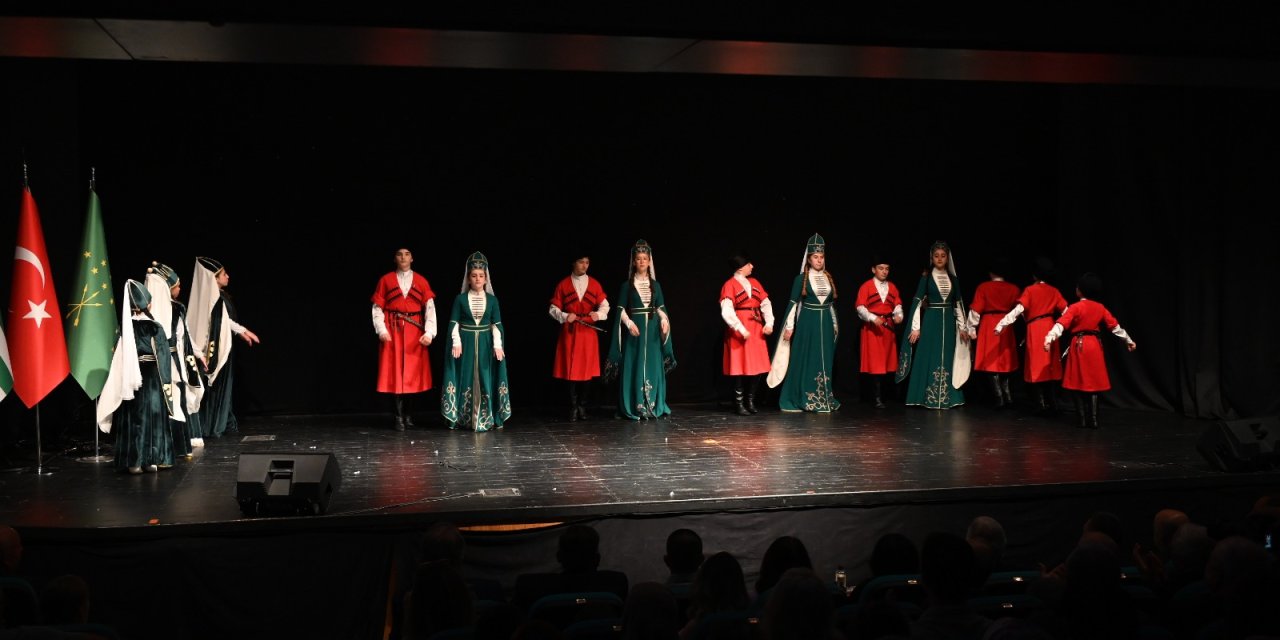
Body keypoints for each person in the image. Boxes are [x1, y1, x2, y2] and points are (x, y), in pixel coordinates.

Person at [96, 279, 175, 474]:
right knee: (153, 415)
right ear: (148, 304)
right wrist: (167, 382)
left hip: (130, 378)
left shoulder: (125, 328)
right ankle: (152, 459)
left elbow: (118, 355)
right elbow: (164, 356)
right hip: (152, 377)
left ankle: (134, 461)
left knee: (134, 417)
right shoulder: (154, 327)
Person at [1043, 272, 1136, 429]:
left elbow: (1061, 324)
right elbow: (1115, 327)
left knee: (1076, 381)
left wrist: (1049, 338)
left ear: (1079, 291)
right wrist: (1129, 340)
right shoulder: (1100, 308)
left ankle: (1082, 420)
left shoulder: (1075, 307)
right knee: (1093, 382)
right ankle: (1093, 420)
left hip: (1079, 345)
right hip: (1094, 345)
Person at [767, 233, 839, 413]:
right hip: (808, 323)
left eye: (821, 257)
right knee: (807, 359)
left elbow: (830, 305)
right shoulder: (801, 279)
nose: (819, 260)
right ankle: (804, 397)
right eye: (815, 257)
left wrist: (834, 325)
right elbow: (793, 304)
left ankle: (824, 397)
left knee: (825, 359)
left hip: (825, 324)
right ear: (809, 259)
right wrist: (789, 327)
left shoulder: (828, 278)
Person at [188, 257, 259, 438]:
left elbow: (226, 321)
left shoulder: (220, 296)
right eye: (224, 274)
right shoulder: (212, 299)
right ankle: (213, 424)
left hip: (225, 347)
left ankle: (225, 421)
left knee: (225, 387)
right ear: (215, 278)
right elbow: (221, 322)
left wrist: (241, 332)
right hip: (215, 350)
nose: (228, 276)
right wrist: (242, 331)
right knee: (217, 387)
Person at [896, 241, 971, 410]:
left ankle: (948, 397)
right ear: (932, 258)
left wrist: (963, 327)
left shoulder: (953, 279)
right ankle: (925, 397)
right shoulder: (927, 277)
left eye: (943, 256)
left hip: (948, 322)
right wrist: (916, 327)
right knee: (930, 355)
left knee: (947, 355)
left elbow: (958, 303)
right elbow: (917, 301)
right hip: (931, 320)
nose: (939, 259)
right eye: (936, 256)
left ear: (947, 258)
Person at [605, 239, 675, 421]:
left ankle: (652, 404)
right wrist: (629, 324)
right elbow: (620, 310)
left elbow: (660, 308)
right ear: (634, 262)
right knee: (634, 365)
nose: (642, 261)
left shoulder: (656, 285)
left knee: (652, 364)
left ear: (649, 261)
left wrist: (664, 320)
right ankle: (636, 405)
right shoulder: (626, 286)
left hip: (652, 333)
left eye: (645, 258)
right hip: (635, 333)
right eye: (638, 258)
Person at [440, 251, 510, 431]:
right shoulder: (460, 299)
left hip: (486, 345)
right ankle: (464, 417)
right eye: (474, 275)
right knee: (466, 377)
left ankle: (487, 417)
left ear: (486, 279)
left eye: (481, 276)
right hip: (466, 344)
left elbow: (496, 324)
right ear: (468, 278)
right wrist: (456, 341)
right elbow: (454, 323)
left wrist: (497, 344)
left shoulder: (493, 300)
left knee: (486, 378)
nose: (478, 279)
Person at [372, 247, 438, 431]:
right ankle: (398, 417)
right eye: (400, 254)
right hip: (393, 331)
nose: (403, 257)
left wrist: (429, 332)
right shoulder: (385, 280)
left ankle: (408, 416)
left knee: (412, 375)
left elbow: (430, 309)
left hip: (414, 333)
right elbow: (377, 308)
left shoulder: (421, 281)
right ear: (395, 258)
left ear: (412, 258)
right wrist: (381, 329)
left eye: (407, 254)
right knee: (395, 374)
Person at [146, 261, 207, 459]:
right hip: (164, 360)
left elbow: (184, 336)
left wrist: (198, 354)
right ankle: (168, 447)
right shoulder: (156, 310)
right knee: (166, 399)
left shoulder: (173, 309)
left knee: (173, 399)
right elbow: (182, 335)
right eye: (177, 286)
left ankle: (170, 446)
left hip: (168, 359)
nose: (180, 289)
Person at [994, 257, 1069, 414]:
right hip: (1050, 326)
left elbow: (1018, 310)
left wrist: (1001, 324)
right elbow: (1067, 312)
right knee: (1049, 365)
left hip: (1035, 329)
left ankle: (1041, 404)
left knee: (1036, 365)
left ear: (1034, 275)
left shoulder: (1030, 290)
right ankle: (1053, 403)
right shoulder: (1054, 291)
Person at [549, 251, 609, 421]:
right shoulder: (563, 284)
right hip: (570, 332)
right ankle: (573, 406)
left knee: (587, 370)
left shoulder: (594, 284)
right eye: (581, 262)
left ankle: (582, 405)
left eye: (587, 262)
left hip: (588, 333)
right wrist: (564, 315)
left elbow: (605, 306)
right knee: (570, 369)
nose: (584, 265)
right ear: (573, 263)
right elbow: (553, 309)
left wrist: (599, 315)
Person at [719, 252, 774, 415]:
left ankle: (750, 400)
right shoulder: (729, 285)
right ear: (741, 268)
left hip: (756, 327)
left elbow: (765, 303)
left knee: (757, 365)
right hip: (740, 327)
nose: (752, 266)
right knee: (739, 366)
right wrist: (740, 329)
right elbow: (727, 310)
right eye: (749, 264)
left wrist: (769, 323)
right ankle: (739, 403)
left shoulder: (755, 282)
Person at [967, 258, 1020, 409]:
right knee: (1005, 361)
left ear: (990, 273)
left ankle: (999, 397)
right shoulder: (1014, 289)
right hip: (1005, 324)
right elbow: (1019, 310)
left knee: (991, 362)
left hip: (989, 324)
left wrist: (971, 328)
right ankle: (1007, 396)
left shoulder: (984, 287)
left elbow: (976, 310)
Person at [855, 256, 903, 409]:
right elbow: (860, 307)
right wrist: (872, 317)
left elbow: (897, 304)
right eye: (881, 268)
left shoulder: (892, 287)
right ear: (873, 269)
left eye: (887, 269)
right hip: (873, 329)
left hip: (887, 328)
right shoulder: (866, 286)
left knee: (887, 362)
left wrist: (898, 315)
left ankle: (885, 395)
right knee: (875, 363)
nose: (884, 271)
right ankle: (875, 397)